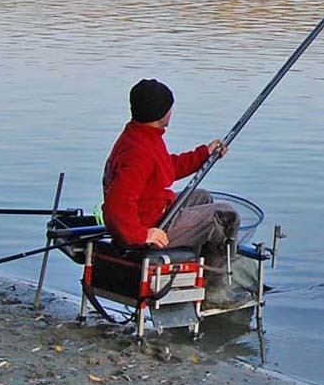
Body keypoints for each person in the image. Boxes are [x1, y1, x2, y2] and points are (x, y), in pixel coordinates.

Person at [102, 78, 247, 306]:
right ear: (161, 112)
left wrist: (203, 155)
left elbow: (164, 168)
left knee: (202, 196)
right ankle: (214, 293)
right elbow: (115, 206)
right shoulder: (139, 153)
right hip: (151, 225)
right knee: (226, 216)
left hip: (154, 211)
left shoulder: (139, 136)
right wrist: (143, 234)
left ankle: (193, 276)